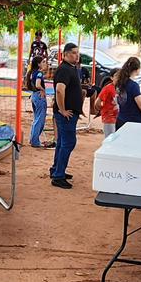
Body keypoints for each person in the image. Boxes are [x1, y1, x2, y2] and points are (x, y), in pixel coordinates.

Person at [50, 43, 83, 189]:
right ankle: (58, 176)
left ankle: (57, 170)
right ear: (65, 54)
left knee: (63, 142)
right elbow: (59, 90)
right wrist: (63, 110)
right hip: (66, 115)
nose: (77, 55)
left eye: (77, 53)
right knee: (68, 143)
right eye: (74, 53)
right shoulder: (64, 70)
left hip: (69, 113)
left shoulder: (70, 68)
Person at [26, 55, 51, 148]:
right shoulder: (39, 73)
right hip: (40, 97)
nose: (45, 64)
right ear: (38, 64)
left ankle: (33, 139)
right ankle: (35, 141)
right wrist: (43, 90)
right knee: (40, 120)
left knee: (36, 119)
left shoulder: (32, 72)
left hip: (34, 96)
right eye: (43, 62)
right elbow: (37, 84)